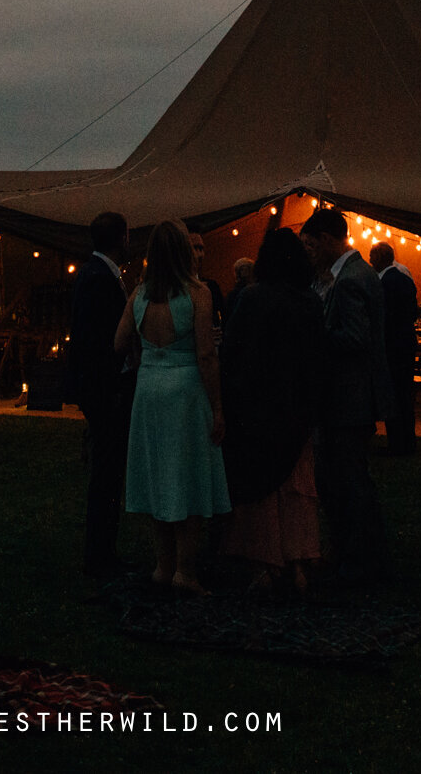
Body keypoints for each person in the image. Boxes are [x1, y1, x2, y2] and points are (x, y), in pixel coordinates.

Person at [115, 220, 229, 592]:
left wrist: (146, 354)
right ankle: (185, 570)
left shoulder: (140, 294)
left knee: (158, 474)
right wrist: (218, 408)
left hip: (149, 389)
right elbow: (207, 355)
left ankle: (163, 566)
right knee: (189, 476)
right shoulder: (198, 294)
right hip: (185, 391)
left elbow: (118, 342)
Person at [221, 228, 326, 594]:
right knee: (296, 487)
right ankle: (299, 562)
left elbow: (232, 352)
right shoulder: (311, 303)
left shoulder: (253, 299)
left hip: (260, 407)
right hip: (297, 407)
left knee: (263, 487)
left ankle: (266, 563)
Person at [303, 208, 392, 587]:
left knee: (348, 479)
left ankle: (359, 559)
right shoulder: (352, 274)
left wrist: (312, 335)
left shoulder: (352, 279)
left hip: (348, 397)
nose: (309, 253)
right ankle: (353, 553)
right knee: (342, 477)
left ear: (326, 239)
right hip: (347, 396)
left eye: (310, 245)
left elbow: (356, 338)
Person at [66, 212, 135, 578]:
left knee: (107, 470)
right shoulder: (98, 278)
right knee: (106, 472)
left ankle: (103, 549)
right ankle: (100, 553)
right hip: (103, 388)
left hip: (102, 385)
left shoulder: (97, 273)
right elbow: (95, 340)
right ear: (119, 238)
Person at [373, 242, 419, 456]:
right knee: (405, 396)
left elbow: (383, 319)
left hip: (392, 347)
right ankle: (408, 440)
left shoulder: (383, 284)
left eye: (372, 258)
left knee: (394, 396)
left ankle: (397, 443)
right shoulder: (405, 280)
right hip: (407, 344)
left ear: (379, 259)